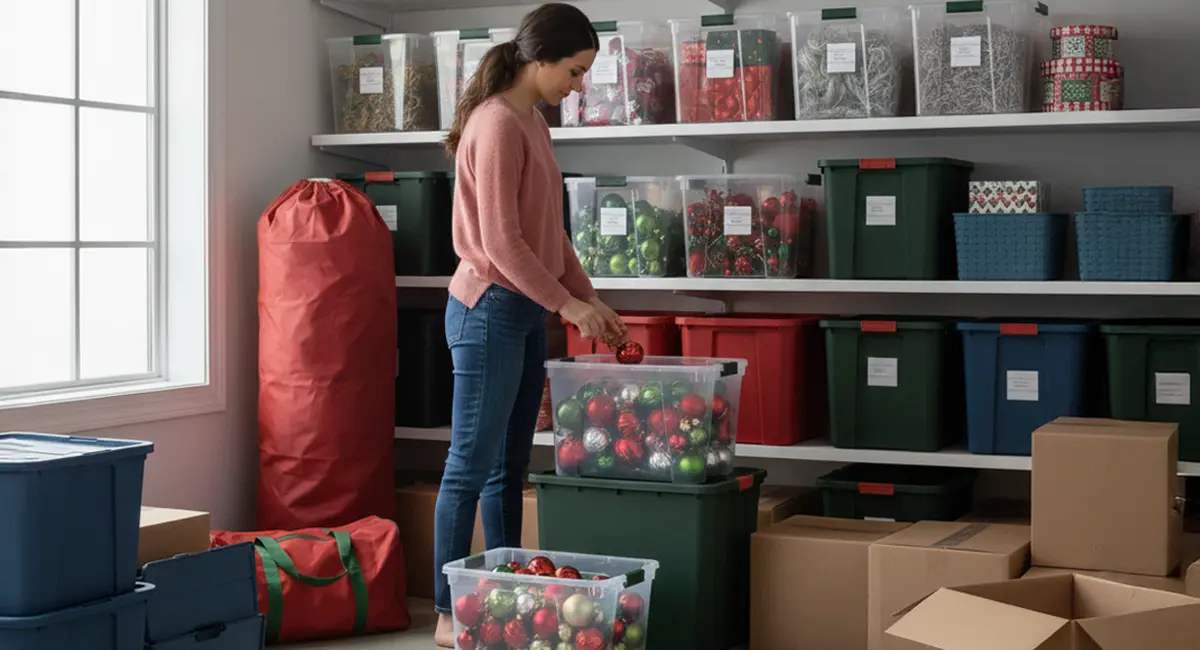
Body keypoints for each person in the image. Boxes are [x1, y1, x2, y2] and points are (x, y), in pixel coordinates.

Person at [432, 4, 624, 646]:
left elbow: (551, 235)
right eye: (574, 71)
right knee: (469, 466)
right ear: (539, 59)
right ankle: (447, 612)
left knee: (508, 466)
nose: (578, 85)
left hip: (523, 311)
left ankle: (504, 590)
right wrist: (568, 307)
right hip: (487, 308)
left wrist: (591, 300)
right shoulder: (496, 125)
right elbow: (502, 244)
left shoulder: (534, 123)